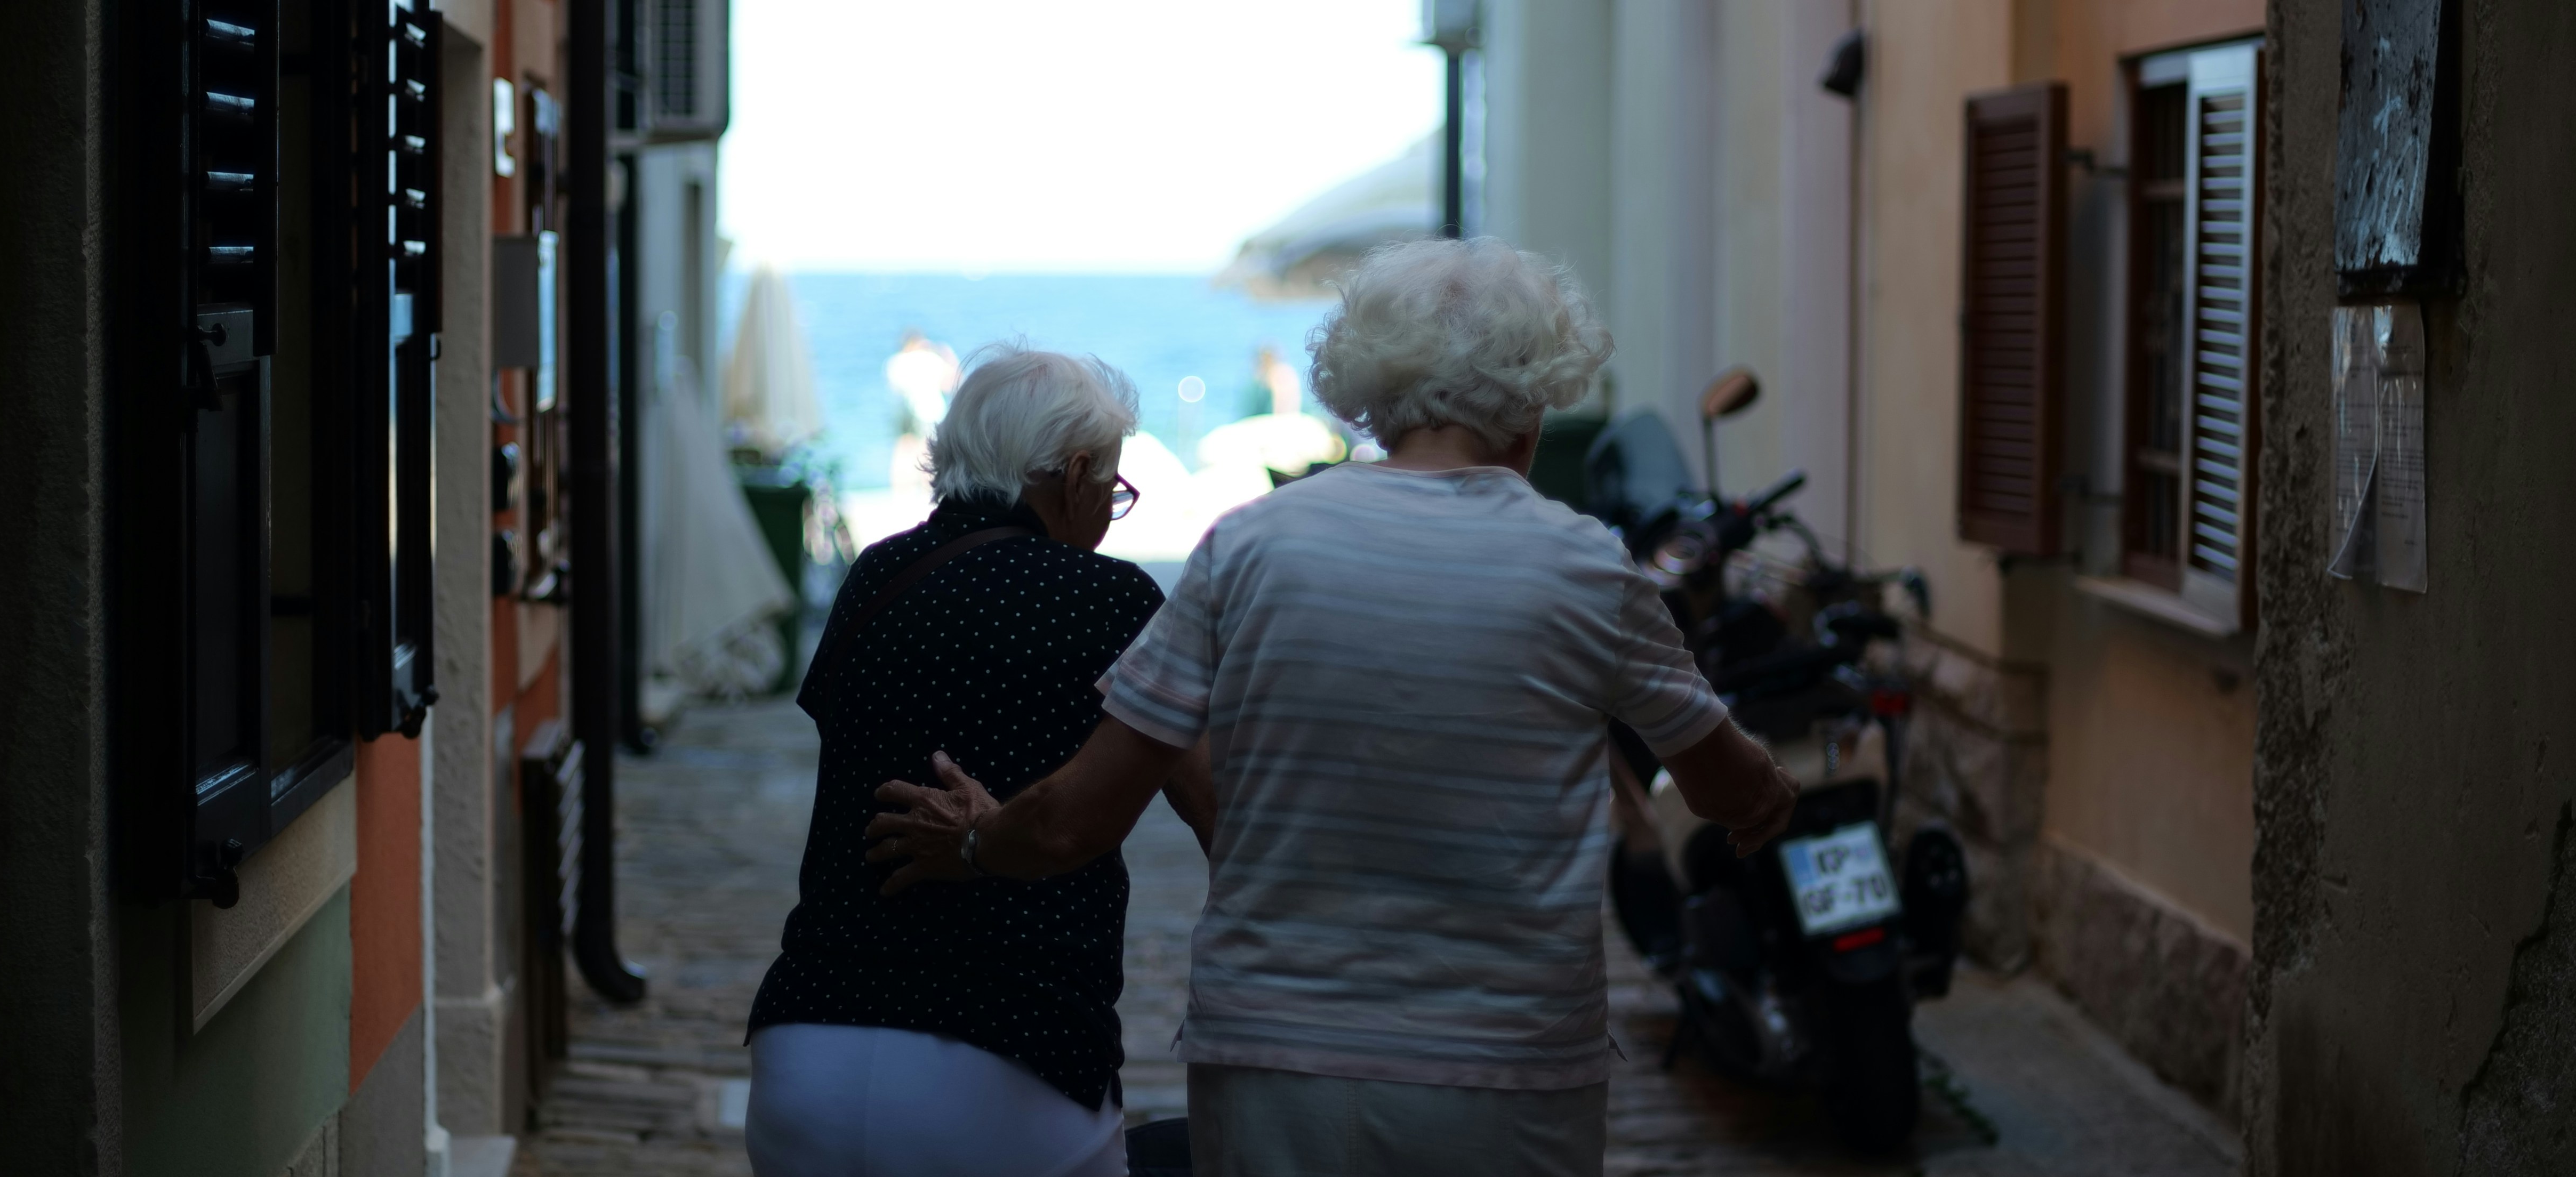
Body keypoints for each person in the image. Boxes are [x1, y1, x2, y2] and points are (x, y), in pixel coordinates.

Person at [865, 239, 1801, 1176]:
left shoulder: (1249, 547)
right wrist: (1766, 796)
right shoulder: (1587, 565)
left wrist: (979, 843)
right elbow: (1722, 784)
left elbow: (1080, 815)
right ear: (1535, 399)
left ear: (1369, 390)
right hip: (1507, 1074)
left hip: (1271, 1064)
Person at [743, 345, 1207, 1177]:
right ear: (1072, 475)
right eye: (1114, 489)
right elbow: (1219, 808)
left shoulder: (875, 576)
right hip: (1011, 1059)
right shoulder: (1111, 598)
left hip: (808, 1047)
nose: (1109, 510)